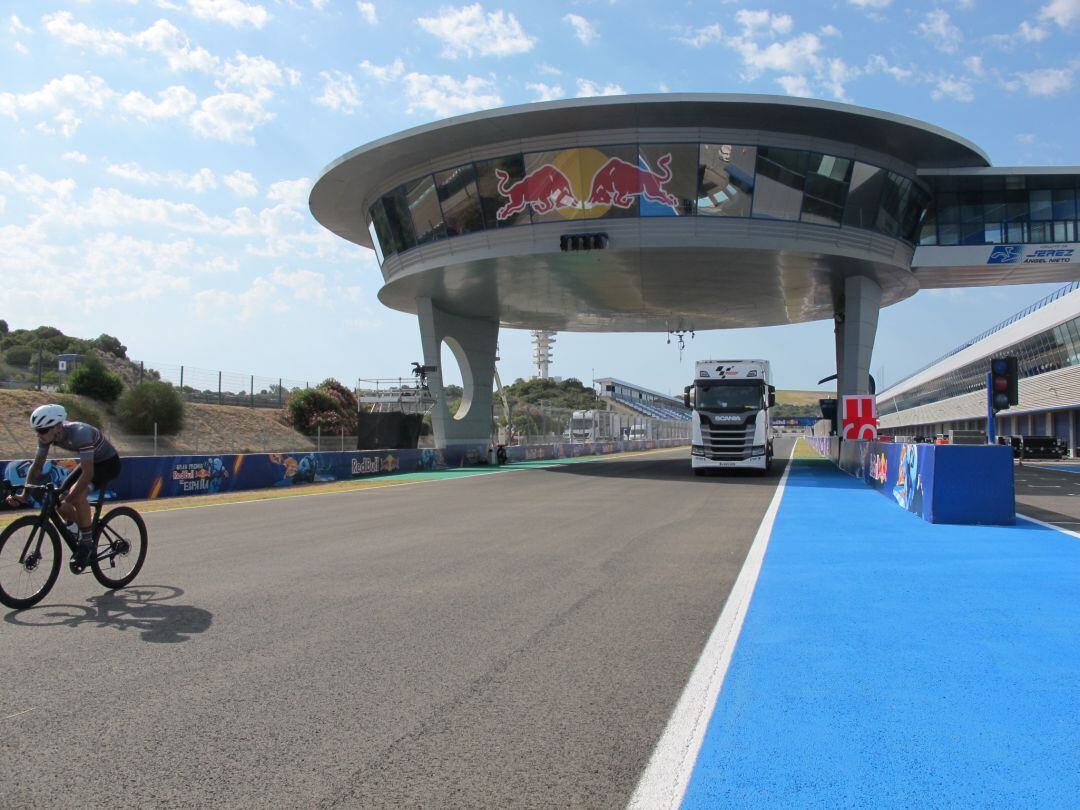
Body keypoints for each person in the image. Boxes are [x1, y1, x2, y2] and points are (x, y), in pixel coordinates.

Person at [4, 404, 122, 572]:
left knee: (76, 497)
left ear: (58, 426)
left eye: (43, 430)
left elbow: (88, 474)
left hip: (108, 464)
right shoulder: (46, 436)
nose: (39, 434)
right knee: (59, 500)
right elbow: (36, 467)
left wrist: (70, 498)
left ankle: (87, 543)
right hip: (90, 462)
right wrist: (24, 494)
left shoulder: (80, 433)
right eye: (37, 430)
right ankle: (82, 530)